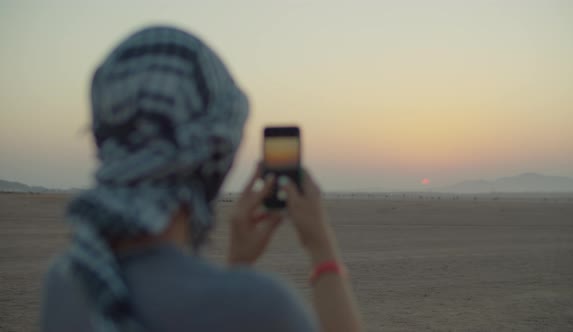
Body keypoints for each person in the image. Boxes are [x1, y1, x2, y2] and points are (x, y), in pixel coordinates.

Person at [40, 26, 364, 332]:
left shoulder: (67, 281)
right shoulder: (263, 307)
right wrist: (322, 248)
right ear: (215, 156)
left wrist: (237, 266)